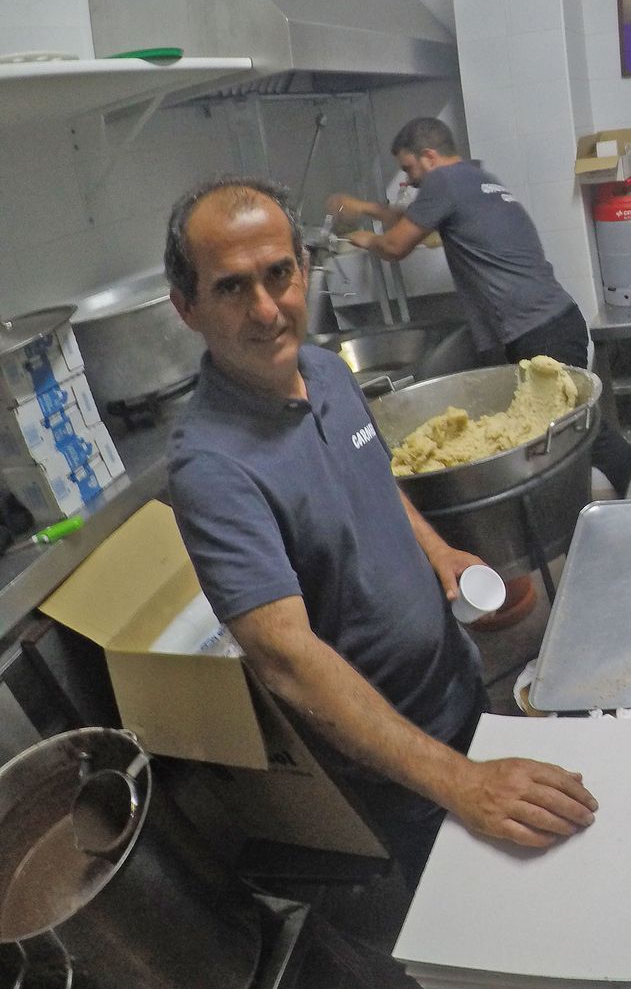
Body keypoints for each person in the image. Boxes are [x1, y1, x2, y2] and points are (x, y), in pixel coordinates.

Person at [165, 176, 597, 887]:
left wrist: (438, 552)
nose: (268, 309)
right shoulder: (211, 468)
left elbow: (373, 478)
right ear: (188, 307)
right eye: (233, 288)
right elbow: (287, 660)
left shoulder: (327, 373)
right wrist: (460, 782)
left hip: (457, 685)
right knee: (470, 920)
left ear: (304, 272)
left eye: (279, 275)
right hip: (395, 759)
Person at [330, 117, 631, 495]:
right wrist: (365, 207)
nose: (408, 181)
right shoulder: (476, 179)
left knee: (581, 432)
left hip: (537, 331)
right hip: (555, 319)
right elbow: (414, 219)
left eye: (408, 169)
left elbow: (396, 246)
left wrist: (362, 238)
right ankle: (604, 501)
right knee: (565, 432)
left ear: (428, 156)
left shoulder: (443, 182)